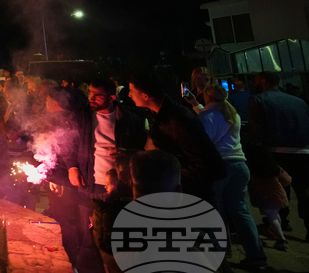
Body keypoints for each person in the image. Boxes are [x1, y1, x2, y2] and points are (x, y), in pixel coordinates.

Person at [127, 71, 225, 203]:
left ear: (145, 95)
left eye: (131, 90)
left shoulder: (178, 120)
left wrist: (166, 175)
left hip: (192, 200)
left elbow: (211, 166)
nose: (129, 95)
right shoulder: (159, 116)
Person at [198, 84, 266, 267]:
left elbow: (205, 143)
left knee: (217, 210)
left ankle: (221, 254)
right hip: (240, 165)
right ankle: (256, 254)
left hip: (221, 167)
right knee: (241, 210)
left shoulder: (207, 116)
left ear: (207, 97)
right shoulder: (233, 114)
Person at [45, 86, 105, 273]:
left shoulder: (64, 121)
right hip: (71, 179)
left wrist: (61, 175)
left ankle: (72, 261)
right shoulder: (77, 118)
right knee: (78, 221)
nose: (45, 104)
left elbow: (67, 151)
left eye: (47, 101)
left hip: (66, 180)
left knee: (68, 222)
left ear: (55, 103)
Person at [248, 70, 309, 237]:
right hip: (303, 151)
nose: (254, 84)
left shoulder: (258, 100)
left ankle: (280, 224)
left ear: (263, 81)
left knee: (278, 189)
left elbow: (257, 129)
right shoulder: (299, 101)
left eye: (256, 80)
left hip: (276, 150)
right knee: (303, 190)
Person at [74, 78, 148, 201]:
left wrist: (126, 153)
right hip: (89, 183)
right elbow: (71, 144)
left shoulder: (130, 120)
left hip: (121, 184)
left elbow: (143, 152)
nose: (91, 98)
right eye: (90, 93)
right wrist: (73, 168)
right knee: (87, 219)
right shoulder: (82, 116)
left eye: (98, 96)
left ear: (111, 98)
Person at [246, 143, 292, 252]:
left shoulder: (255, 172)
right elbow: (287, 180)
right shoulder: (275, 168)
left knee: (272, 216)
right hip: (278, 196)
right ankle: (277, 234)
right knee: (275, 215)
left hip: (265, 198)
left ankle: (281, 239)